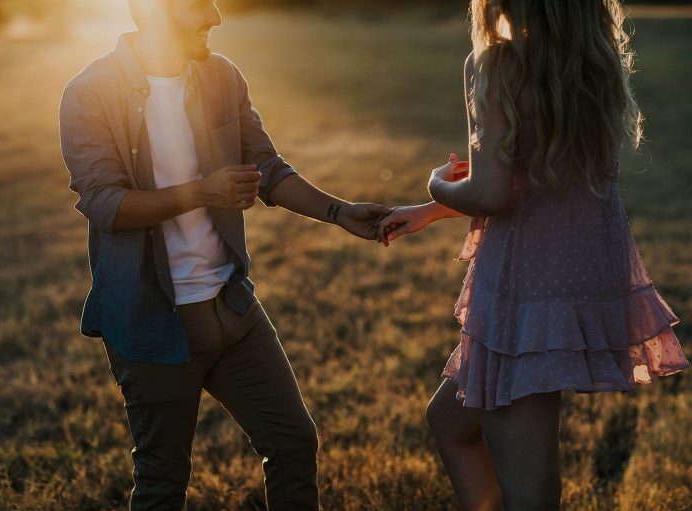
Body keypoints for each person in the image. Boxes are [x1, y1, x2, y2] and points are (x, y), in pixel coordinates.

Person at [59, 1, 389, 509]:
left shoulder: (221, 78)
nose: (215, 16)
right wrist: (201, 193)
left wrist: (339, 212)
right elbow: (105, 204)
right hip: (152, 323)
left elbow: (267, 169)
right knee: (162, 482)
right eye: (200, 4)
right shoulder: (89, 93)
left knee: (293, 442)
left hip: (233, 310)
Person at [377, 0, 689, 509]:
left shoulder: (496, 63)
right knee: (450, 421)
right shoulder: (596, 61)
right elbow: (544, 188)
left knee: (531, 493)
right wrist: (430, 213)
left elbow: (493, 196)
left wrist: (436, 186)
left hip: (526, 288)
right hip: (585, 273)